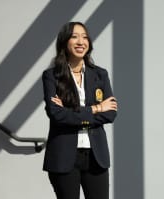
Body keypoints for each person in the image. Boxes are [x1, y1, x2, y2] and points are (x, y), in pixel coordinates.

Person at [42, 22, 118, 199]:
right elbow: (56, 115)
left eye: (84, 37)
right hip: (63, 156)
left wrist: (72, 114)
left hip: (95, 156)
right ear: (64, 42)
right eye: (74, 36)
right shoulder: (52, 76)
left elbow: (111, 113)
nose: (80, 41)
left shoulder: (100, 74)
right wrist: (96, 108)